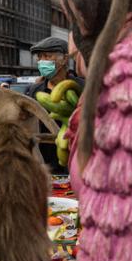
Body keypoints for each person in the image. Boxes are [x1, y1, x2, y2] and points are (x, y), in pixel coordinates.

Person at [26, 36, 84, 174]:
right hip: (45, 161)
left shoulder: (82, 87)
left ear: (64, 59)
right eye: (39, 57)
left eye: (47, 56)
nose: (41, 62)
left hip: (77, 157)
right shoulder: (35, 91)